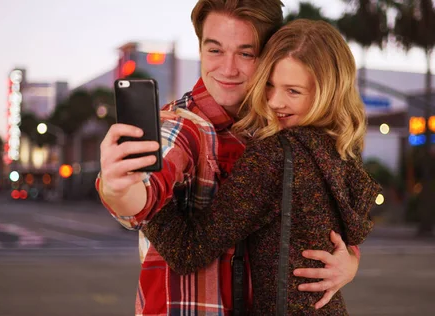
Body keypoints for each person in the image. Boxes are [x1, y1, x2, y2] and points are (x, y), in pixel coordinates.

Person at [97, 1, 361, 314]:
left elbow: (334, 221)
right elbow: (149, 188)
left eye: (245, 53)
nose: (228, 68)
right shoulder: (183, 126)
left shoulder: (285, 133)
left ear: (267, 56)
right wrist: (120, 189)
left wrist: (349, 261)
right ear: (200, 51)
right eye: (215, 51)